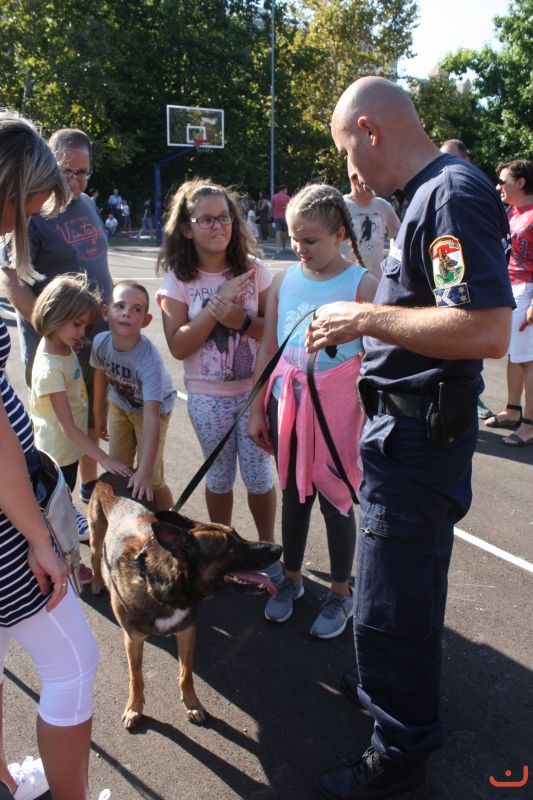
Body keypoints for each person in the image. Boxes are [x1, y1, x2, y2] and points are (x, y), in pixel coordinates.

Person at [306, 77, 513, 800]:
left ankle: (397, 749)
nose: (349, 170)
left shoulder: (449, 194)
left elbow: (484, 328)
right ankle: (386, 687)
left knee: (392, 601)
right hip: (405, 429)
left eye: (346, 150)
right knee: (397, 587)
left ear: (369, 129)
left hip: (418, 437)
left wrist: (364, 319)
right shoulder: (430, 194)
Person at [0, 109, 100, 800]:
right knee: (75, 663)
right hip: (6, 519)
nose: (32, 216)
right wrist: (38, 535)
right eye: (32, 201)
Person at [248, 184, 377, 638]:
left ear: (339, 234)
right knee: (293, 493)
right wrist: (257, 409)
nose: (300, 248)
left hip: (338, 407)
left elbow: (378, 360)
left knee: (336, 498)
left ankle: (341, 592)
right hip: (286, 401)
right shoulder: (284, 280)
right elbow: (268, 347)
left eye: (310, 240)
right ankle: (293, 578)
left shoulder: (363, 285)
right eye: (294, 238)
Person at [155, 178, 280, 579]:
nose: (218, 226)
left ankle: (267, 548)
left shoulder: (255, 271)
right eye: (206, 219)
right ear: (186, 228)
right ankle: (221, 554)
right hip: (208, 397)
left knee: (259, 476)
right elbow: (178, 345)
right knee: (220, 476)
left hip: (255, 392)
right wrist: (216, 307)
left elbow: (273, 334)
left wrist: (239, 320)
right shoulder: (179, 280)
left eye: (224, 217)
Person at [0, 127, 113, 513]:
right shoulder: (30, 209)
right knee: (56, 427)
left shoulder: (88, 205)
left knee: (89, 414)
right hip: (54, 344)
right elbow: (11, 279)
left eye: (84, 173)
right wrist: (51, 327)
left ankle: (88, 491)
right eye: (68, 171)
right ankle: (53, 505)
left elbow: (98, 263)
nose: (76, 181)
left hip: (93, 338)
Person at [30, 273, 132, 493]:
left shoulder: (61, 345)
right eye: (77, 324)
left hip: (69, 449)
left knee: (63, 499)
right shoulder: (50, 369)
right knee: (56, 505)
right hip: (57, 458)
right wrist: (103, 459)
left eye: (86, 326)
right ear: (55, 314)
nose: (82, 333)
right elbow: (66, 425)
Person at [91, 280, 176, 509]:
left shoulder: (149, 361)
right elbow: (100, 374)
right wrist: (98, 413)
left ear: (145, 321)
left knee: (153, 480)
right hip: (120, 404)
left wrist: (145, 472)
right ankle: (127, 518)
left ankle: (171, 518)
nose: (127, 313)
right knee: (119, 469)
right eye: (120, 306)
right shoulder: (100, 342)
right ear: (106, 312)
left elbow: (152, 418)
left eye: (136, 309)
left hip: (153, 411)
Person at [439, 139, 493, 420]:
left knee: (467, 354)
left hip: (475, 291)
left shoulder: (469, 194)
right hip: (452, 287)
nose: (444, 164)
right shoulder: (443, 191)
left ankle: (474, 396)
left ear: (466, 161)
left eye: (451, 157)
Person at [484, 159, 533, 446]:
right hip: (511, 287)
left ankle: (530, 424)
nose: (498, 186)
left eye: (503, 181)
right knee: (515, 356)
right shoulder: (512, 211)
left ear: (521, 182)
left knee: (528, 360)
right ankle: (513, 411)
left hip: (527, 289)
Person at [341, 164, 400, 281]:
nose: (374, 184)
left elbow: (398, 237)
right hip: (345, 280)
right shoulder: (340, 205)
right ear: (354, 178)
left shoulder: (383, 206)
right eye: (369, 178)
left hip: (375, 281)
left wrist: (393, 263)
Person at [270, 184, 290, 253]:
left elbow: (271, 207)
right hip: (285, 217)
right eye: (286, 190)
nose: (287, 191)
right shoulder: (287, 198)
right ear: (284, 189)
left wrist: (270, 215)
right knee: (284, 232)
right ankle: (284, 247)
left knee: (278, 232)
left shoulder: (274, 197)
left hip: (276, 217)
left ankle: (278, 248)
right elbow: (289, 208)